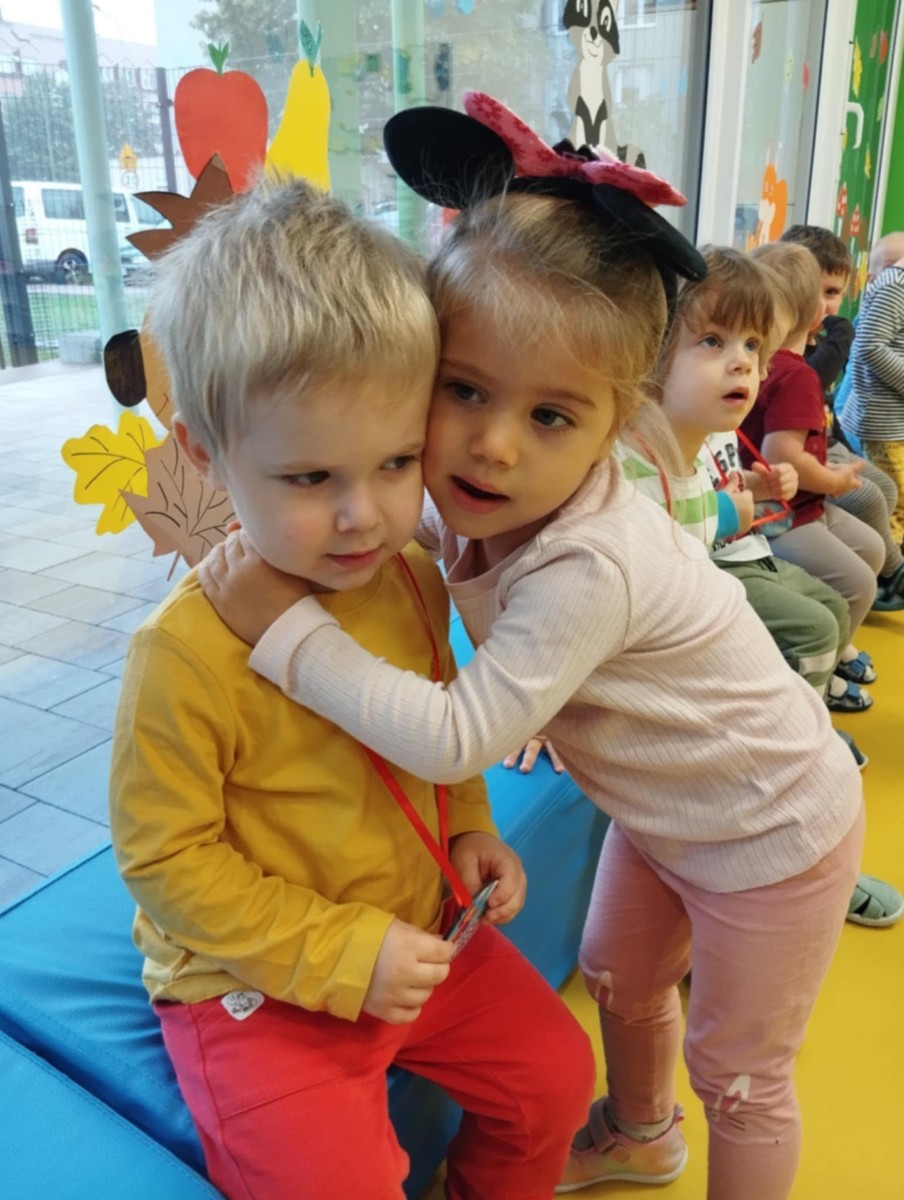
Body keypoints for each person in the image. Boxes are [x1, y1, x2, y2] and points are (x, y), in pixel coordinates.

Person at [198, 95, 865, 1200]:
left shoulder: (587, 561)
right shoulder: (474, 498)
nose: (492, 445)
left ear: (616, 428)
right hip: (670, 814)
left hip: (774, 832)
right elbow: (410, 543)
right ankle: (641, 1134)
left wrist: (285, 630)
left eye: (551, 416)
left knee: (740, 1076)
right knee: (615, 975)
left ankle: (688, 1128)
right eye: (463, 391)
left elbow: (456, 734)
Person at [108, 177, 596, 1200]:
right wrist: (343, 950)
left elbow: (433, 739)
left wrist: (470, 830)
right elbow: (163, 862)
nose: (363, 515)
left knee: (555, 1077)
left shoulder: (411, 577)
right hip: (253, 981)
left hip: (417, 934)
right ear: (205, 452)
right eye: (309, 478)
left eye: (396, 461)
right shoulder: (182, 653)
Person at [618, 245, 899, 925]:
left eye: (753, 346)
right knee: (791, 739)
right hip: (672, 668)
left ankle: (807, 859)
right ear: (652, 355)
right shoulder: (630, 462)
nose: (746, 363)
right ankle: (800, 872)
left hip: (701, 632)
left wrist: (749, 490)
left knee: (803, 731)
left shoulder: (694, 447)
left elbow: (699, 510)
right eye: (714, 342)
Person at [740, 240, 886, 708]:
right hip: (783, 515)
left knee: (873, 548)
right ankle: (819, 676)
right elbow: (784, 458)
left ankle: (838, 644)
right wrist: (836, 481)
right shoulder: (795, 375)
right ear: (815, 315)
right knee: (859, 583)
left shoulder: (774, 366)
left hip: (800, 505)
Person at [780, 224, 904, 613]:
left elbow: (824, 410)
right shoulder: (794, 351)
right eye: (812, 291)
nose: (823, 305)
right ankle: (895, 573)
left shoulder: (817, 339)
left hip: (825, 442)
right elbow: (812, 383)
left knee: (885, 489)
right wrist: (842, 336)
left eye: (832, 293)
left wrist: (844, 450)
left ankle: (885, 573)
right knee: (868, 495)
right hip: (799, 464)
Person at [839, 231, 904, 549]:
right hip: (885, 423)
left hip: (894, 421)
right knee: (896, 504)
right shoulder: (895, 286)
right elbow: (868, 347)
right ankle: (891, 566)